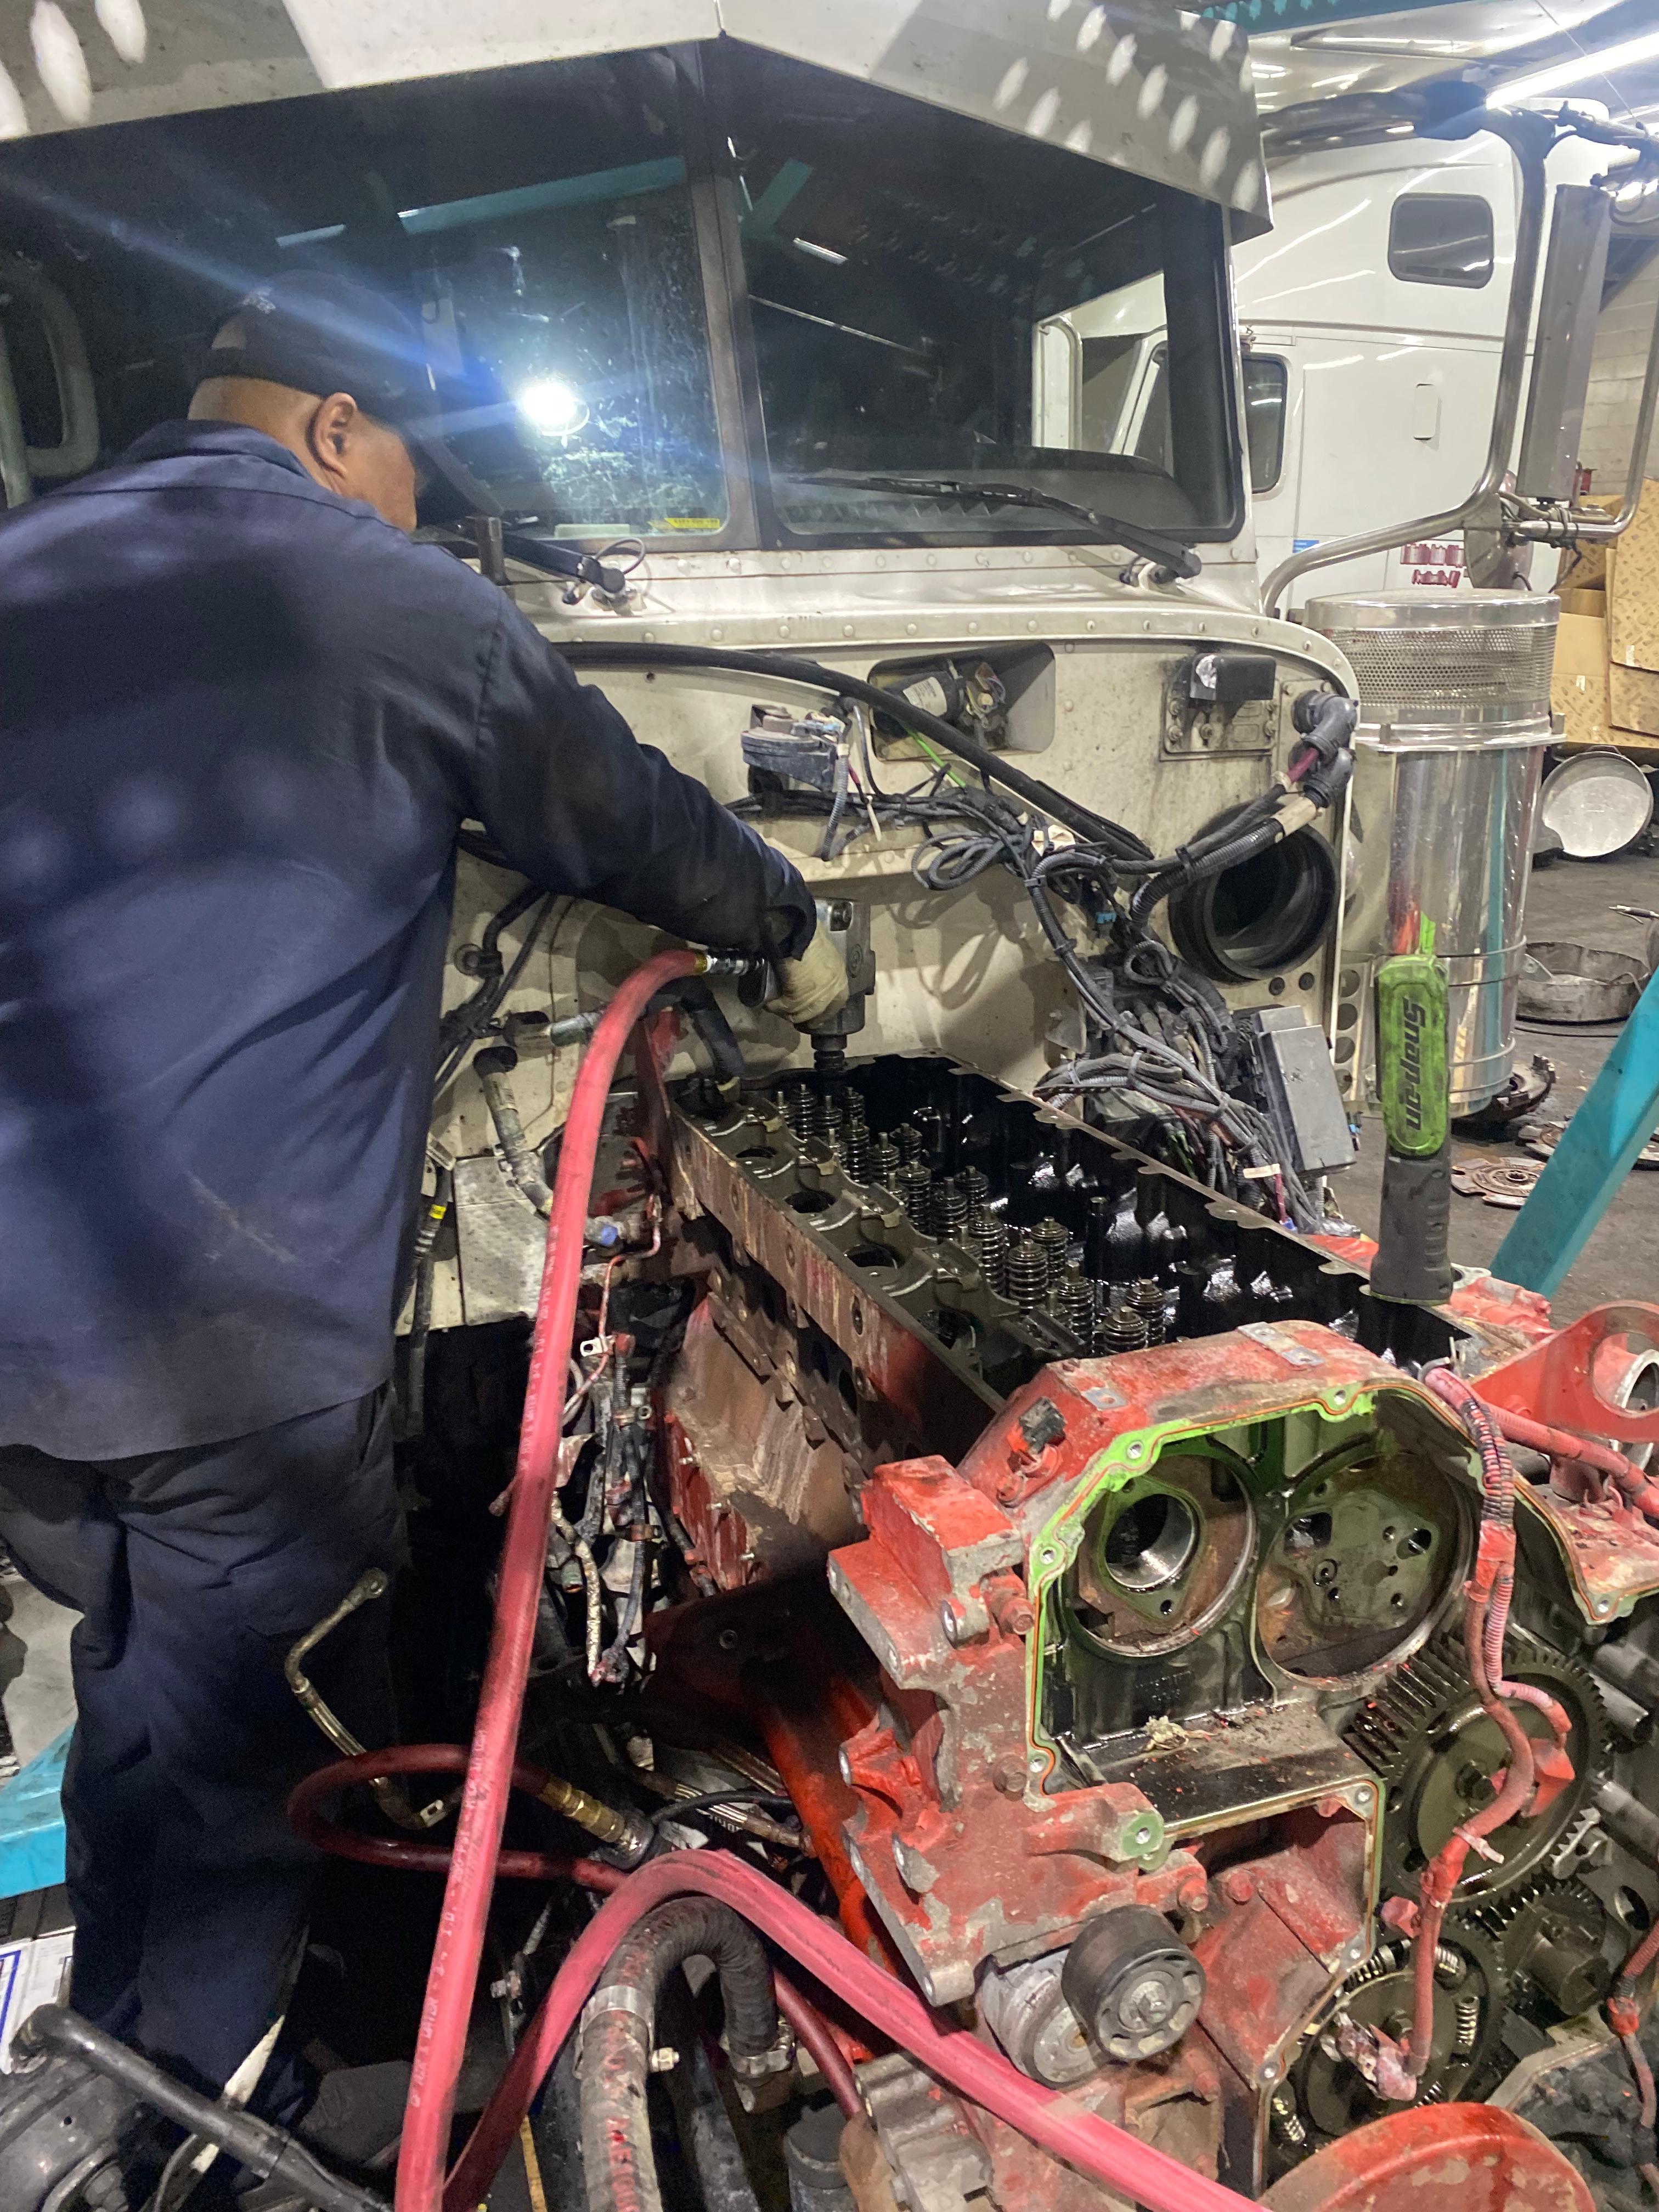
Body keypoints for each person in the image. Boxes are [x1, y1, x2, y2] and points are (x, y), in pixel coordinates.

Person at [0, 273, 845, 2147]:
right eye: (410, 476)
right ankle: (203, 2130)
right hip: (222, 1337)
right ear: (330, 428)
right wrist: (789, 916)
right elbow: (624, 822)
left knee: (132, 1667)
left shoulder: (30, 562)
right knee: (251, 1756)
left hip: (18, 1348)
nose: (425, 520)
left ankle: (98, 2013)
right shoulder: (383, 599)